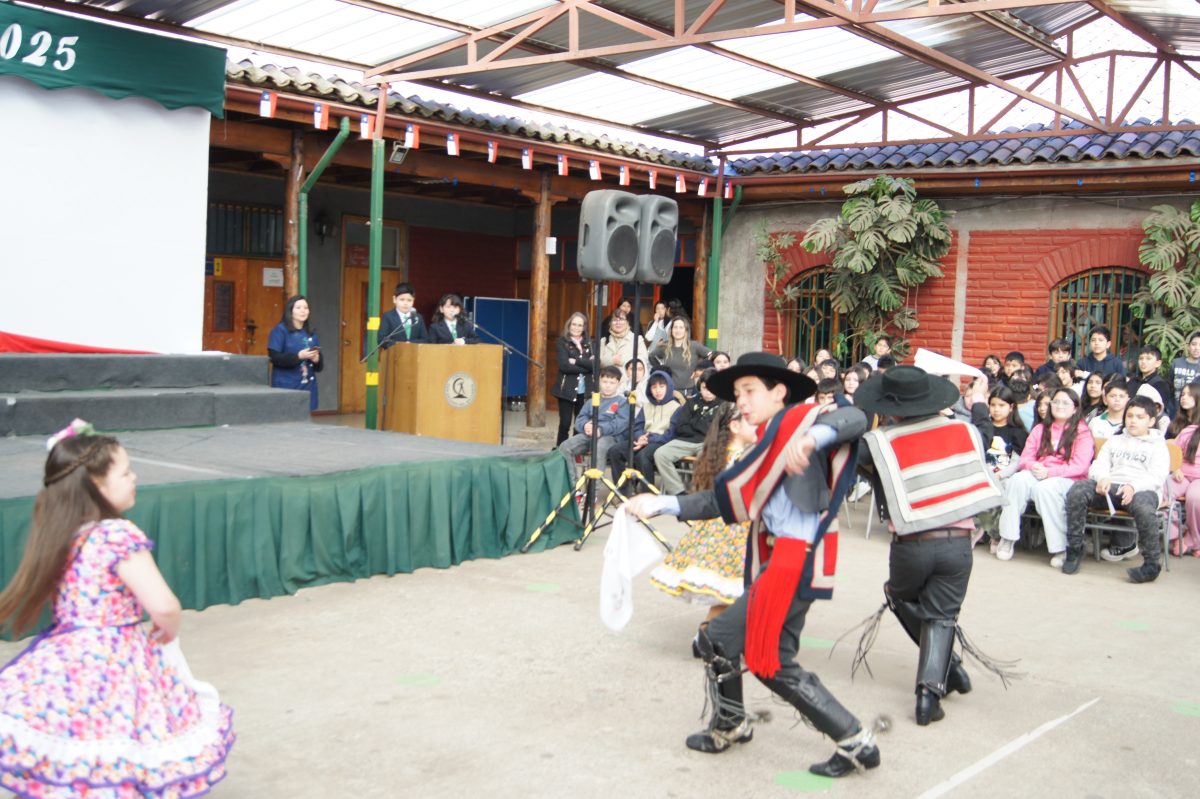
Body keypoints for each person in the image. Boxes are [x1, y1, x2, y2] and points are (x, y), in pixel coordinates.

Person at [626, 353, 881, 778]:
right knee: (766, 657)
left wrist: (812, 439)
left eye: (750, 391)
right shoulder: (763, 446)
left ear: (779, 391)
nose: (741, 401)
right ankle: (851, 740)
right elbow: (722, 502)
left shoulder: (803, 421)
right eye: (738, 393)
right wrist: (662, 503)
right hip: (782, 561)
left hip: (793, 560)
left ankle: (735, 723)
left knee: (725, 639)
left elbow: (854, 418)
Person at [0, 420, 235, 797]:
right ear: (96, 486)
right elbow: (163, 603)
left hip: (65, 659)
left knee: (76, 744)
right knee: (123, 741)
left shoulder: (61, 532)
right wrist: (168, 627)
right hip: (116, 659)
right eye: (126, 472)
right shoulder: (117, 535)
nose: (134, 477)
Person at [853, 367, 1007, 727]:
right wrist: (980, 402)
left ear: (890, 408)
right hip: (957, 547)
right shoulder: (966, 431)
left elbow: (851, 453)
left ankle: (948, 670)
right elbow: (985, 431)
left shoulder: (877, 444)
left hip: (909, 545)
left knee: (898, 594)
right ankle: (931, 691)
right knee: (942, 615)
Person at [649, 403, 755, 617]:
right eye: (750, 421)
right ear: (735, 426)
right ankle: (709, 635)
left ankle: (711, 634)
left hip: (718, 526)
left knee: (729, 594)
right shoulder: (738, 458)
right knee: (732, 590)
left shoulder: (721, 453)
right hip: (734, 531)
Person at [1063, 396, 1170, 581]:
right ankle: (1074, 548)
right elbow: (1098, 465)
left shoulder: (1159, 445)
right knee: (1078, 490)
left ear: (1152, 421)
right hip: (1111, 487)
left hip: (1141, 490)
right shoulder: (1115, 440)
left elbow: (1157, 476)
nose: (1133, 420)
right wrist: (1102, 477)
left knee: (1144, 507)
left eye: (1139, 417)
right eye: (1129, 416)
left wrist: (1133, 486)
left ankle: (1152, 564)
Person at [994, 388, 1094, 566]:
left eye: (1065, 403)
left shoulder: (1082, 432)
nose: (1059, 406)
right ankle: (1007, 538)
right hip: (1039, 472)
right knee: (1017, 481)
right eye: (1056, 402)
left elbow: (1080, 466)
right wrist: (1034, 466)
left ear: (1075, 408)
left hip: (1068, 478)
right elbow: (1025, 458)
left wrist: (1050, 473)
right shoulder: (1040, 429)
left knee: (1045, 489)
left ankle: (1060, 547)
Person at [653, 369, 724, 495]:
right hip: (686, 441)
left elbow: (719, 430)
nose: (707, 392)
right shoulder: (691, 403)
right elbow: (680, 427)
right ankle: (678, 491)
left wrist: (694, 423)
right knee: (660, 454)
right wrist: (706, 426)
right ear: (699, 387)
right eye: (704, 388)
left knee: (707, 457)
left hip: (709, 443)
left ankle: (703, 493)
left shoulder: (724, 405)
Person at [608, 369, 682, 487]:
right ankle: (623, 490)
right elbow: (637, 425)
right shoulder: (646, 406)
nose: (658, 391)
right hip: (642, 439)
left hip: (661, 442)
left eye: (662, 387)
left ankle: (648, 492)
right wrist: (639, 437)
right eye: (654, 387)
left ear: (669, 387)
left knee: (642, 456)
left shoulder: (676, 407)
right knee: (615, 451)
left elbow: (671, 434)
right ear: (649, 389)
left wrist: (648, 440)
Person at [558, 365, 629, 480]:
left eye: (612, 382)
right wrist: (585, 425)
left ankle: (593, 490)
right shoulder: (592, 400)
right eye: (605, 381)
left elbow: (620, 424)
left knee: (599, 447)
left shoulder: (622, 402)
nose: (607, 385)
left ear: (619, 384)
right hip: (589, 434)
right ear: (599, 381)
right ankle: (573, 486)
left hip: (611, 437)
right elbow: (580, 418)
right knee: (565, 447)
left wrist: (600, 429)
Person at [268, 294, 323, 411]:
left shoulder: (311, 332)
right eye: (298, 308)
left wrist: (316, 359)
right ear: (290, 311)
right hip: (287, 384)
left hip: (307, 384)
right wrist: (298, 356)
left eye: (306, 308)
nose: (303, 311)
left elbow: (319, 365)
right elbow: (274, 357)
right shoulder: (280, 330)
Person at [551, 312, 593, 447]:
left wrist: (576, 361)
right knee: (565, 422)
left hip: (584, 390)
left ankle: (576, 450)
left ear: (584, 327)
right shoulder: (562, 342)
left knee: (579, 423)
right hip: (566, 389)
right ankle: (560, 450)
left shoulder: (590, 343)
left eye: (580, 325)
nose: (576, 327)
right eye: (574, 324)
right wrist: (586, 366)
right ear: (569, 325)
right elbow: (565, 366)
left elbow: (595, 365)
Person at [1167, 390, 1200, 556]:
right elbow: (1174, 453)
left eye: (1189, 394)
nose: (1184, 397)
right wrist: (1176, 468)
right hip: (1182, 475)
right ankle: (1177, 534)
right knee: (1163, 491)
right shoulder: (1188, 431)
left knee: (1195, 498)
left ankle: (1192, 539)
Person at [649, 315, 711, 394]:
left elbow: (712, 355)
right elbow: (651, 356)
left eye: (681, 327)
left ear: (686, 330)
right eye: (675, 327)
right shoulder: (665, 346)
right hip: (669, 391)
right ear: (671, 330)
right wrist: (661, 369)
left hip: (688, 392)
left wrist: (699, 370)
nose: (678, 330)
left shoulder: (694, 346)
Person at [1128, 345, 1174, 419]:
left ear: (1158, 363)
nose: (1143, 362)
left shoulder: (1161, 385)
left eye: (1148, 359)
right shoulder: (1133, 381)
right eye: (1141, 358)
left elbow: (1158, 411)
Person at [377, 281, 429, 346]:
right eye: (402, 299)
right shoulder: (388, 316)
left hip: (414, 354)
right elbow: (381, 339)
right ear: (394, 299)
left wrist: (410, 343)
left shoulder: (418, 318)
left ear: (413, 301)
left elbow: (425, 339)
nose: (405, 303)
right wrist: (401, 345)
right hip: (395, 354)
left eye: (409, 300)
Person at [599, 311, 644, 375]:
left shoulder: (637, 339)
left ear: (627, 323)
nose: (618, 323)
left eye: (621, 319)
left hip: (628, 381)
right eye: (614, 320)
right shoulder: (603, 341)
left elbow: (643, 360)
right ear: (610, 323)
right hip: (608, 381)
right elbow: (598, 361)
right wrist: (612, 360)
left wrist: (622, 361)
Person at [1170, 331, 1200, 404]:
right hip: (1174, 407)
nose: (1197, 348)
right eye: (1194, 344)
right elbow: (1170, 384)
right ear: (1188, 346)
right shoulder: (1176, 363)